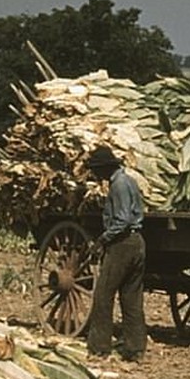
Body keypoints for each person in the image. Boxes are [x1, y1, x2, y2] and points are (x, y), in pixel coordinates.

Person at [84, 145, 147, 360]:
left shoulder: (118, 185)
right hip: (137, 242)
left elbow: (122, 220)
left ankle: (99, 347)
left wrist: (102, 239)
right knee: (131, 297)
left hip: (122, 244)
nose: (95, 175)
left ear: (104, 169)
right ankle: (135, 348)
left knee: (103, 294)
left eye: (96, 170)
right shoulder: (129, 181)